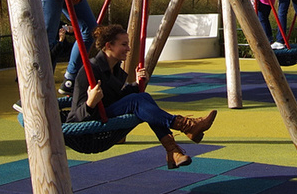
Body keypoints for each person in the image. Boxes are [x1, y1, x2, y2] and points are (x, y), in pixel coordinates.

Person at [69, 24, 217, 169]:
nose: (128, 48)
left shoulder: (115, 69)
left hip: (107, 114)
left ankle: (173, 150)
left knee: (143, 97)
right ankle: (184, 126)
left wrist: (137, 84)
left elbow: (116, 97)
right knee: (137, 101)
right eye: (124, 44)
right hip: (88, 128)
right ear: (109, 46)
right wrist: (90, 103)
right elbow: (75, 117)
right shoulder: (89, 71)